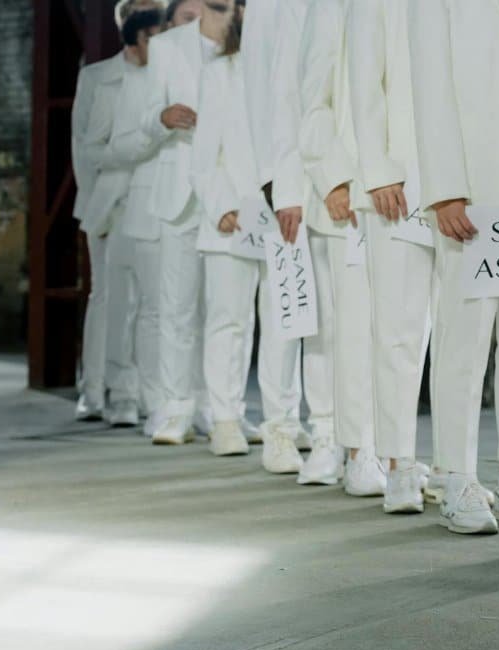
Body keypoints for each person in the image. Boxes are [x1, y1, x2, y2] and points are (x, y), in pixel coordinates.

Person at [408, 0, 499, 534]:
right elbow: (430, 84)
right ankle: (456, 476)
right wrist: (445, 189)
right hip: (473, 190)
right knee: (462, 341)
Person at [182, 0, 305, 472]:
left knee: (283, 324)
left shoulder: (292, 69)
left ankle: (282, 428)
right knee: (229, 322)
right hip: (232, 220)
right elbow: (203, 155)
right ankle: (226, 419)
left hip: (283, 218)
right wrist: (223, 206)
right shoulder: (219, 73)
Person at [273, 0, 389, 494]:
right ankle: (339, 441)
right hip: (342, 196)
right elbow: (308, 99)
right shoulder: (325, 8)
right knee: (340, 329)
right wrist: (330, 179)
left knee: (394, 330)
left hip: (404, 192)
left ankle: (388, 449)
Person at [243, 0, 339, 465]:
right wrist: (280, 185)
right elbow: (268, 90)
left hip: (334, 173)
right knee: (290, 308)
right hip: (284, 176)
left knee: (330, 318)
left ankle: (333, 429)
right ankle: (279, 425)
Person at [138, 0, 236, 446]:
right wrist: (162, 119)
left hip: (231, 190)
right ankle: (176, 408)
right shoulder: (166, 47)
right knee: (177, 308)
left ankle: (223, 409)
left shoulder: (242, 38)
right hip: (178, 188)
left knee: (228, 308)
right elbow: (141, 118)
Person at [347, 0, 432, 514]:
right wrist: (378, 170)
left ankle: (452, 469)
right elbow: (363, 80)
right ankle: (398, 464)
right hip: (398, 181)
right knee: (398, 328)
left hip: (464, 177)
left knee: (453, 334)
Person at [71, 0, 153, 423]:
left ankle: (131, 392)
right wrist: (96, 204)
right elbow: (83, 149)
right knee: (105, 298)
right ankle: (93, 390)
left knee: (143, 302)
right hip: (109, 202)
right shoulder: (97, 77)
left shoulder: (166, 73)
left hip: (152, 199)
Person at [99, 8, 168, 431]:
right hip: (136, 206)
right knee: (131, 307)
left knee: (176, 311)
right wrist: (158, 127)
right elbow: (113, 148)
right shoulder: (133, 85)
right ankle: (127, 395)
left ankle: (175, 400)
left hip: (194, 207)